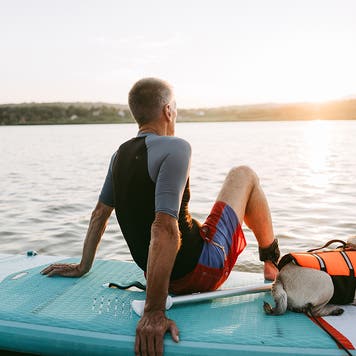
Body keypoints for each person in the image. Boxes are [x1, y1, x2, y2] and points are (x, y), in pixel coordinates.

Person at [41, 77, 280, 356]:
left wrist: (83, 266)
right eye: (175, 108)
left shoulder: (119, 155)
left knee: (192, 218)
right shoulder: (177, 147)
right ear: (168, 111)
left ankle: (262, 260)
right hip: (198, 273)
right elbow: (164, 228)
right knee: (244, 174)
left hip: (160, 271)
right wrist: (154, 311)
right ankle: (272, 263)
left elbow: (99, 216)